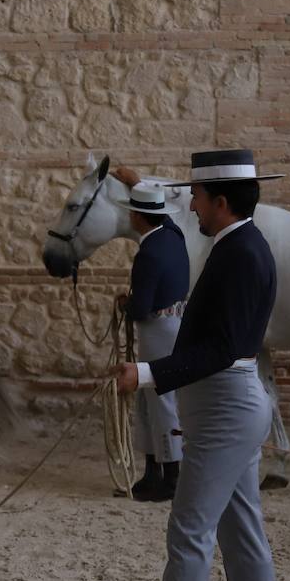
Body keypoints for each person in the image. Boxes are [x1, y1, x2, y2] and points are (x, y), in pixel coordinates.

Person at [103, 148, 290, 581]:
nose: (193, 206)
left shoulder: (238, 254)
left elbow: (223, 348)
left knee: (189, 534)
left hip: (225, 409)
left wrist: (146, 372)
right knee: (242, 536)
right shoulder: (240, 246)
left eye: (199, 198)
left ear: (221, 201)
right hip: (229, 405)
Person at [109, 177, 188, 502]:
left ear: (140, 217)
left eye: (132, 212)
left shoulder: (149, 253)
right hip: (174, 323)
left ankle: (170, 476)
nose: (129, 217)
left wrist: (126, 305)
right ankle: (153, 471)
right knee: (150, 399)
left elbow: (141, 307)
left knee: (158, 398)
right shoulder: (173, 235)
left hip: (158, 329)